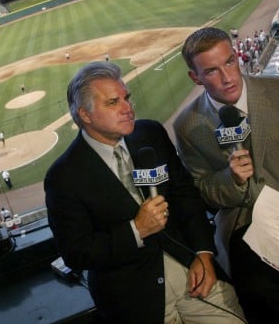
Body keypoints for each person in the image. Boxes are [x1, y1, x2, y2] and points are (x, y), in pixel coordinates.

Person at [173, 27, 279, 323]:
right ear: (195, 77)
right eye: (212, 71)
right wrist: (232, 180)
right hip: (245, 226)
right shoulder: (187, 125)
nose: (228, 77)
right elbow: (204, 190)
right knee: (260, 286)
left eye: (230, 62)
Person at [44, 61, 244, 323]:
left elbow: (186, 198)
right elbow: (76, 253)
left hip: (192, 271)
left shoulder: (150, 133)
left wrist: (204, 254)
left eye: (127, 98)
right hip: (135, 300)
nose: (128, 108)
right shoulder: (63, 176)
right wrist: (136, 230)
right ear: (85, 114)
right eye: (113, 102)